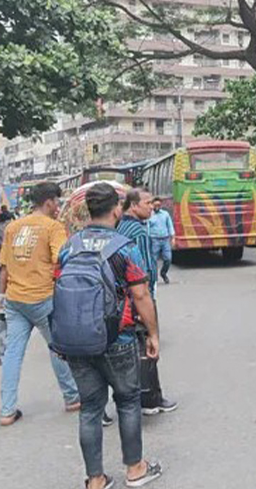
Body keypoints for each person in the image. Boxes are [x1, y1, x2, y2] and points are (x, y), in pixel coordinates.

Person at [59, 182, 163, 489]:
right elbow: (141, 295)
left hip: (77, 340)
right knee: (128, 401)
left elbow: (58, 291)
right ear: (117, 210)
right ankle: (135, 469)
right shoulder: (123, 247)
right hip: (118, 339)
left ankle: (95, 479)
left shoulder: (69, 247)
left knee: (90, 408)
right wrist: (153, 334)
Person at [0, 183, 80, 426]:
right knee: (58, 347)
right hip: (43, 298)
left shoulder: (13, 227)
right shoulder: (53, 227)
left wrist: (0, 296)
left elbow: (4, 267)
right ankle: (72, 397)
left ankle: (7, 410)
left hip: (14, 299)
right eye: (57, 202)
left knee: (13, 353)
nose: (58, 207)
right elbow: (62, 260)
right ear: (49, 202)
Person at [117, 189, 177, 416]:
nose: (151, 206)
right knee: (149, 347)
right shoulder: (138, 232)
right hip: (138, 296)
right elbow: (143, 271)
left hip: (123, 297)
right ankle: (151, 399)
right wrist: (147, 301)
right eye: (147, 203)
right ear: (133, 205)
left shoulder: (121, 227)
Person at [148, 197, 174, 284]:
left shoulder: (165, 214)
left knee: (168, 259)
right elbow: (147, 228)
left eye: (158, 205)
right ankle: (153, 278)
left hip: (165, 239)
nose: (157, 207)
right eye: (155, 205)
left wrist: (172, 237)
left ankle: (163, 273)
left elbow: (170, 226)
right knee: (153, 260)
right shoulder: (149, 215)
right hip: (154, 240)